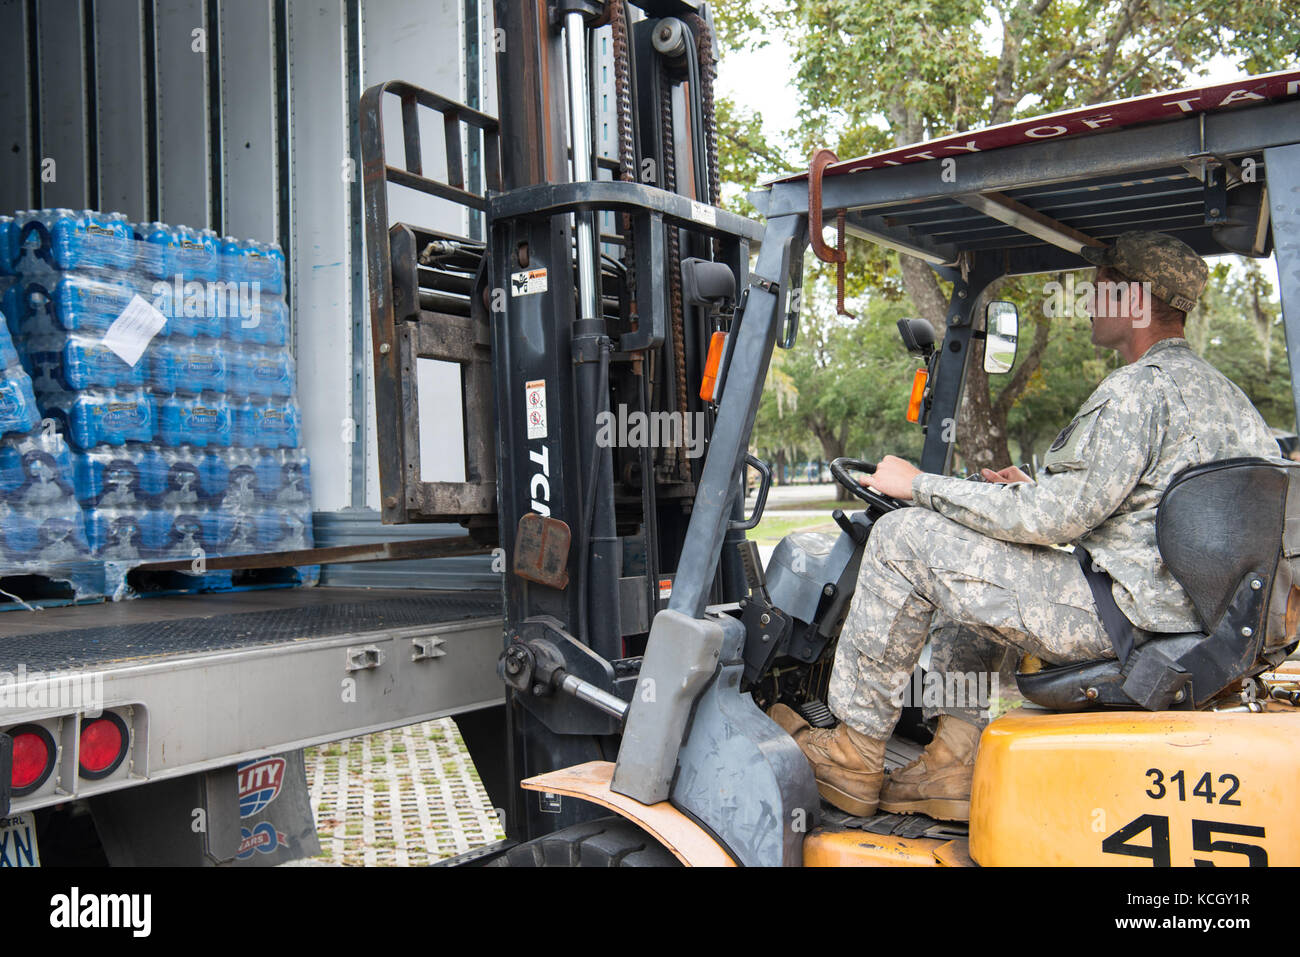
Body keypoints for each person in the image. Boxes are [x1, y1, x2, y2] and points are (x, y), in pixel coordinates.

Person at [770, 231, 1281, 821]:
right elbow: (1136, 511)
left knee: (900, 539)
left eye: (1103, 287)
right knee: (981, 557)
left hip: (1130, 623)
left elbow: (1051, 520)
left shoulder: (1139, 390)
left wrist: (918, 486)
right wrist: (1032, 492)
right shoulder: (1224, 396)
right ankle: (952, 758)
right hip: (1178, 617)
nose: (1090, 299)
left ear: (1135, 301)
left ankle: (853, 751)